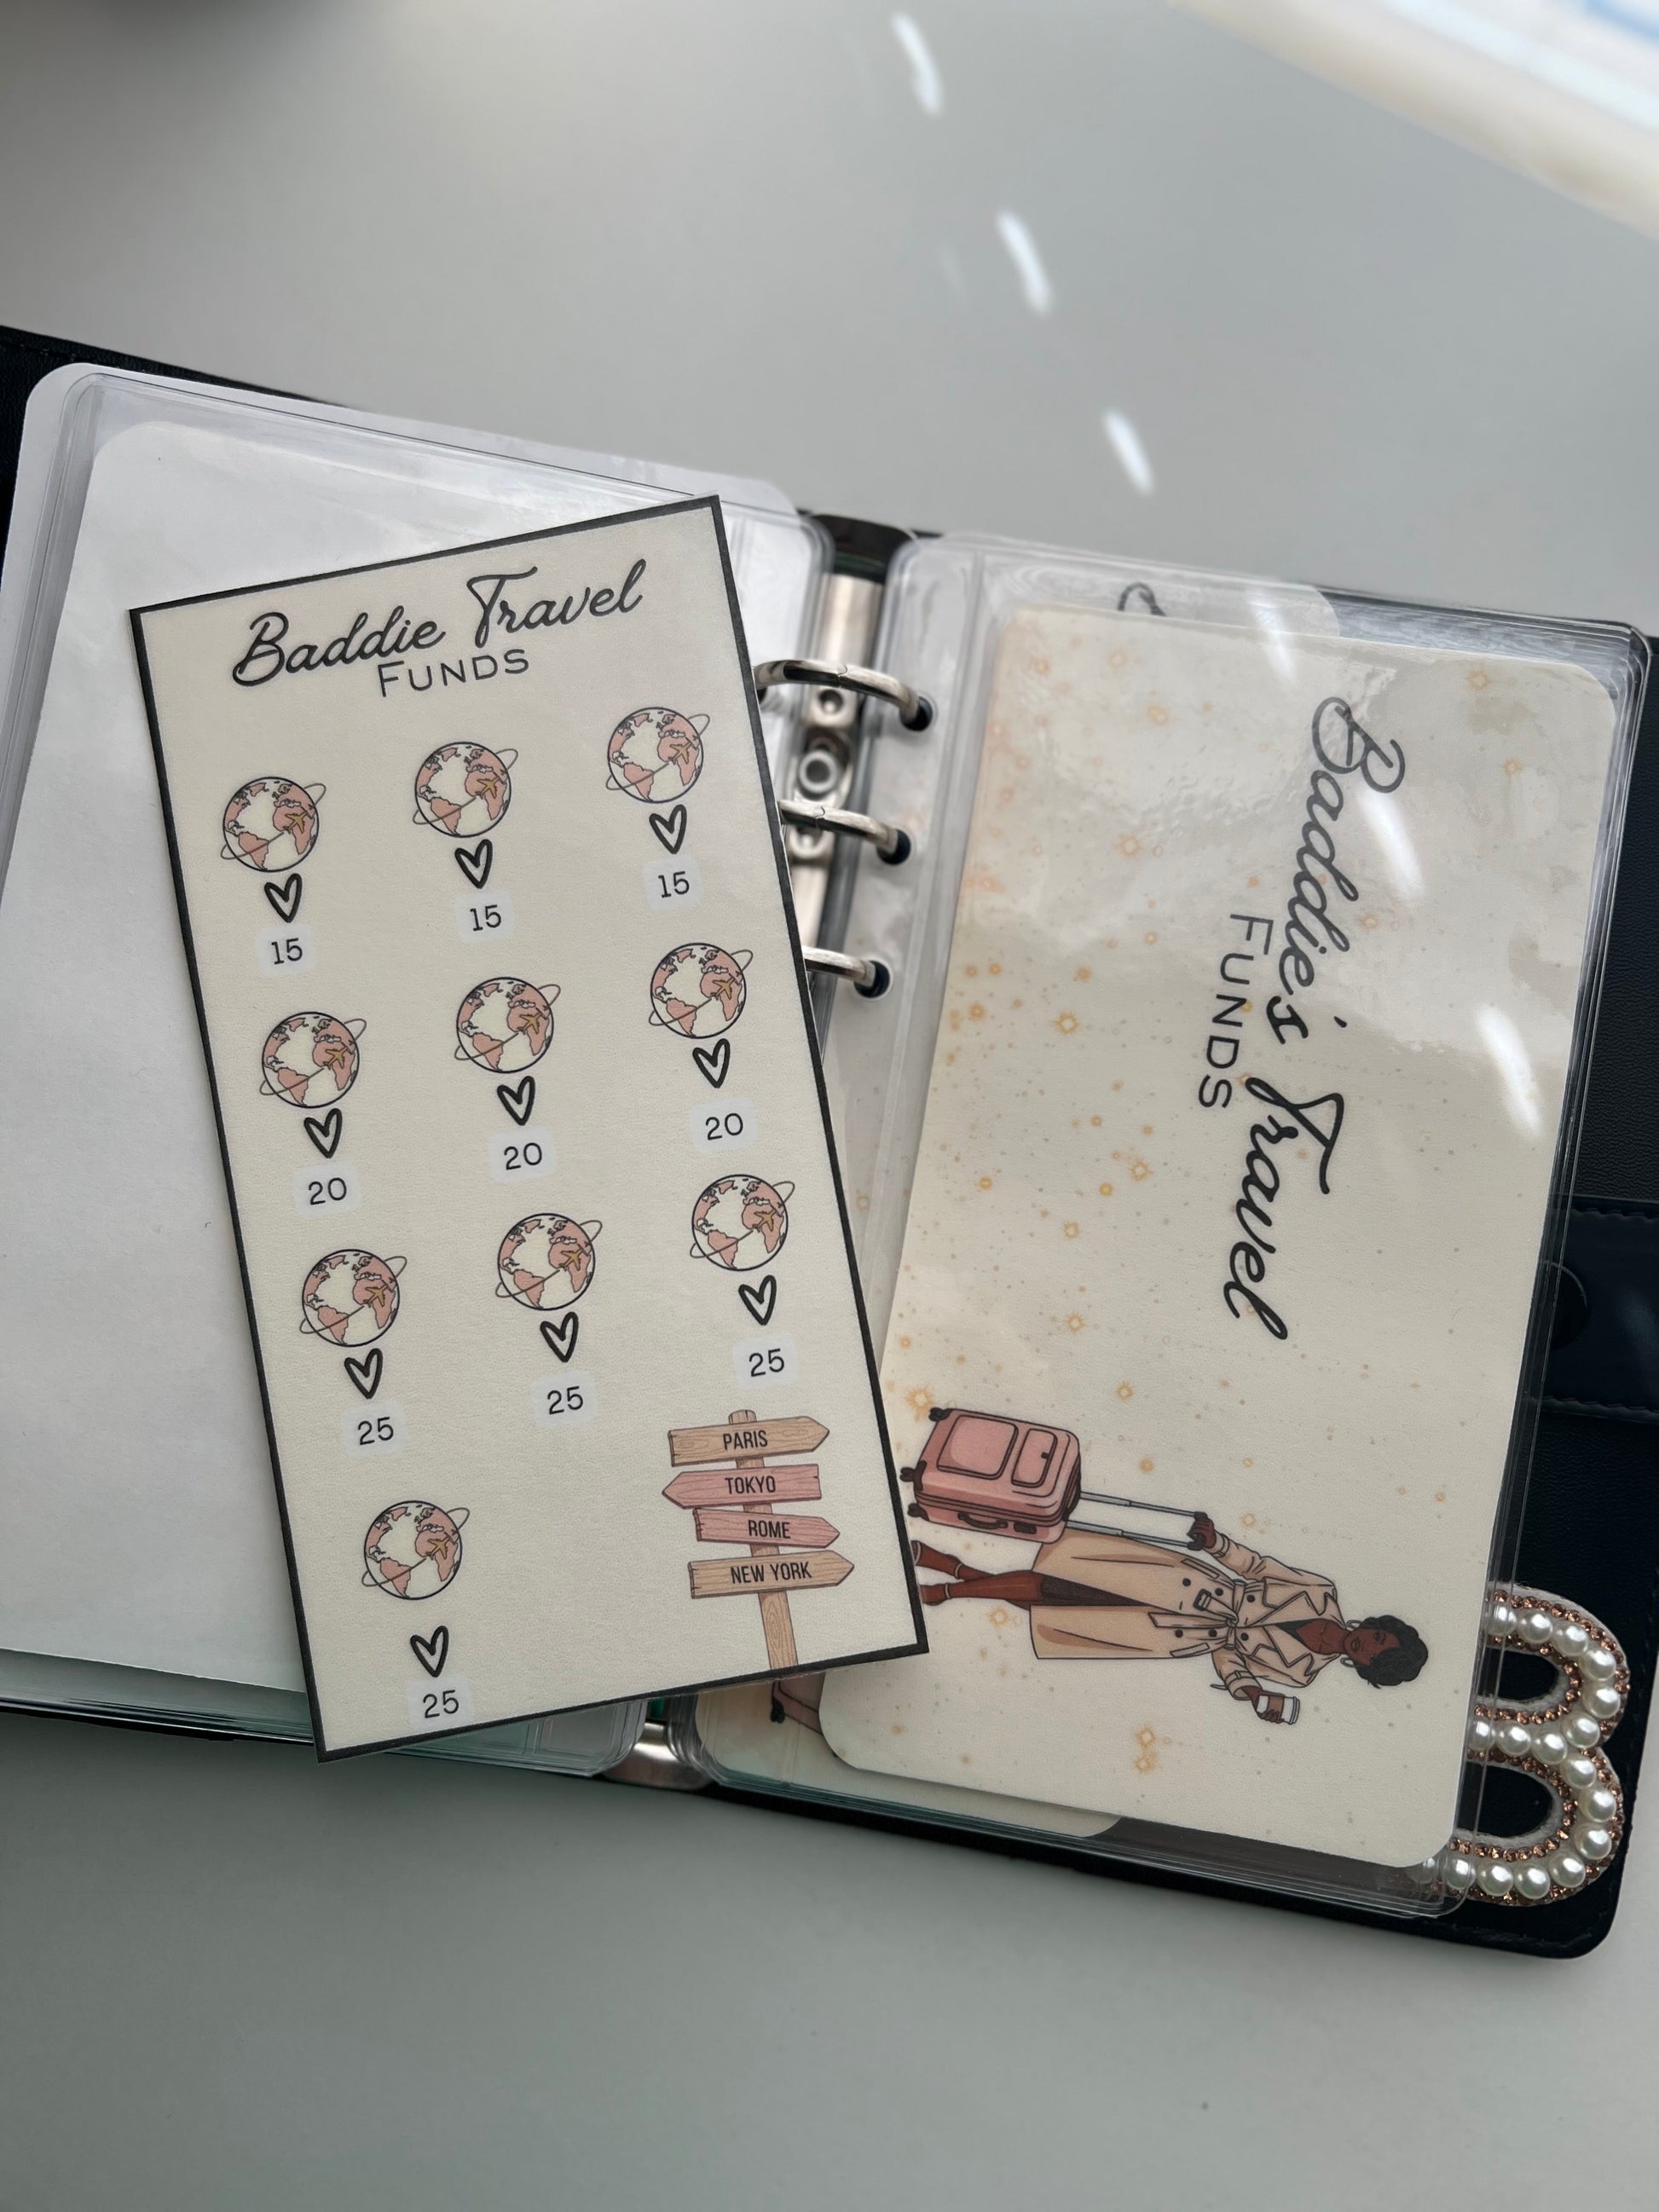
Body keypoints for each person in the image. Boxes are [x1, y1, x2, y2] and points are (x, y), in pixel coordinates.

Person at [911, 1510, 1427, 1723]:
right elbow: (1258, 1567)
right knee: (1055, 1584)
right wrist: (1217, 1542)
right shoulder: (1320, 1592)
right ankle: (946, 1590)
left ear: (1366, 1670)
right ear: (1375, 1625)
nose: (1368, 1645)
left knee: (1057, 1607)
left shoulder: (1301, 1675)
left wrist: (1249, 1693)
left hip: (1175, 1634)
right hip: (1184, 1585)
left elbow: (1230, 1659)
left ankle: (952, 1573)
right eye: (1379, 1636)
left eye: (1375, 1656)